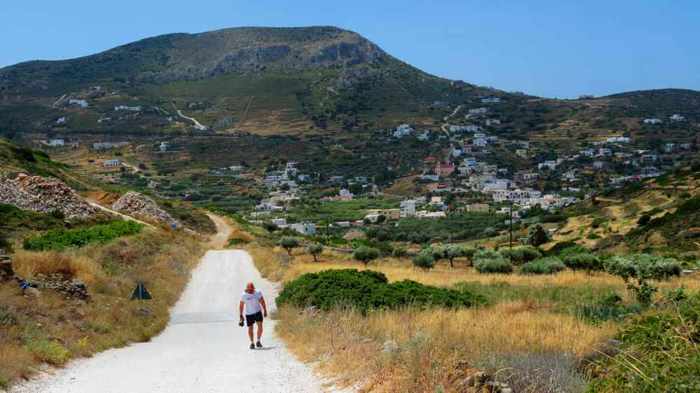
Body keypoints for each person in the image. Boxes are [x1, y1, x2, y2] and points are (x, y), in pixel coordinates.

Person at [239, 282, 268, 349]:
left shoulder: (257, 293)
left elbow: (262, 301)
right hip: (249, 314)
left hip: (258, 312)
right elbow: (241, 305)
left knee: (260, 327)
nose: (251, 290)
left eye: (252, 289)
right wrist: (241, 315)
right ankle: (252, 343)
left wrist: (265, 310)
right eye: (250, 289)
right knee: (250, 328)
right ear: (247, 289)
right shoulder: (244, 295)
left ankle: (258, 341)